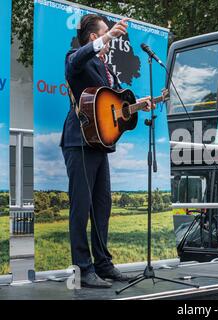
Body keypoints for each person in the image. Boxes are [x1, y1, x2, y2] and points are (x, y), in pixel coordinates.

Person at [61, 14, 154, 288]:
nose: (111, 40)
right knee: (81, 207)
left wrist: (138, 106)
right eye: (106, 34)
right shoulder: (75, 57)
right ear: (94, 37)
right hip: (79, 141)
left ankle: (103, 265)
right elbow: (74, 63)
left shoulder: (105, 68)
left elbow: (114, 107)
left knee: (102, 207)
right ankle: (83, 268)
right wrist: (110, 36)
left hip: (100, 143)